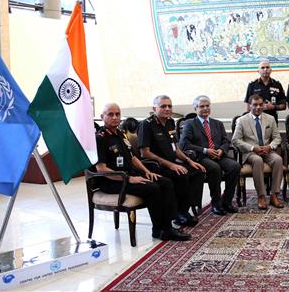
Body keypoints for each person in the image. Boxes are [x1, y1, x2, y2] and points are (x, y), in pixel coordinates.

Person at [95, 103, 190, 241]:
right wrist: (128, 179)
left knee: (165, 182)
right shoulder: (100, 138)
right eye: (110, 114)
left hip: (128, 176)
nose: (115, 117)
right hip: (111, 181)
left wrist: (146, 172)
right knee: (152, 188)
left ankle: (168, 225)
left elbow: (133, 158)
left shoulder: (121, 134)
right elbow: (101, 169)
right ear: (102, 117)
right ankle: (159, 229)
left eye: (117, 114)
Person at [137, 95, 205, 227]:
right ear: (154, 108)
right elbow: (144, 152)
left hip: (171, 163)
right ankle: (178, 213)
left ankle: (186, 208)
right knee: (182, 175)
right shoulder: (146, 125)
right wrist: (171, 165)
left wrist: (189, 161)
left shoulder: (170, 122)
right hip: (155, 166)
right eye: (163, 106)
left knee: (198, 171)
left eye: (169, 106)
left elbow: (176, 148)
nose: (167, 109)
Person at [178, 95, 239, 215]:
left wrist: (221, 150)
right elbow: (184, 144)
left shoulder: (218, 123)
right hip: (201, 157)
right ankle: (216, 203)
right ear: (195, 108)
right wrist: (205, 150)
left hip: (219, 155)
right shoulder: (189, 124)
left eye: (207, 106)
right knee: (214, 168)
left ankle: (226, 202)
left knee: (235, 166)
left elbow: (226, 141)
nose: (205, 108)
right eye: (202, 106)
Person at [232, 94, 285, 209]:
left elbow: (277, 137)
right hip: (250, 152)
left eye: (261, 104)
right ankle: (261, 196)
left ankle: (274, 195)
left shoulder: (270, 119)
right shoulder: (241, 120)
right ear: (249, 106)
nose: (258, 107)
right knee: (257, 160)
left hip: (267, 150)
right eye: (255, 105)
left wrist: (270, 147)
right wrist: (252, 148)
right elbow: (235, 140)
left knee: (278, 160)